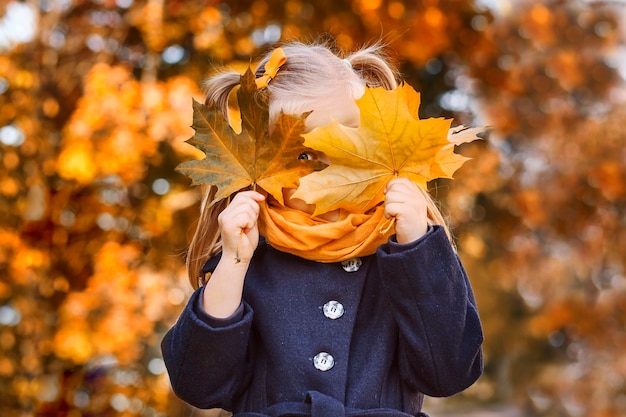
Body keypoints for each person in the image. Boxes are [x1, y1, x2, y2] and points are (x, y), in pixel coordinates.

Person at [161, 41, 483, 417]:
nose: (330, 174)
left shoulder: (409, 251)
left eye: (350, 150)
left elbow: (449, 373)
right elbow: (198, 384)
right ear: (258, 162)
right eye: (303, 156)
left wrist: (417, 247)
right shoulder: (247, 253)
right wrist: (233, 263)